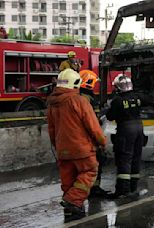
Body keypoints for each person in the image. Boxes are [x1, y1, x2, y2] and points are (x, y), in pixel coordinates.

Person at [47, 69, 107, 221]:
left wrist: (58, 146)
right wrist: (102, 141)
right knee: (90, 171)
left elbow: (52, 130)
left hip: (62, 150)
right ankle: (72, 201)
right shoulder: (79, 101)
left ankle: (71, 212)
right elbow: (93, 126)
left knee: (68, 181)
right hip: (82, 149)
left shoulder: (52, 104)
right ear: (75, 83)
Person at [106, 74, 144, 198]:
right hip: (139, 127)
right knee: (135, 158)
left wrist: (108, 108)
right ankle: (133, 188)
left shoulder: (117, 100)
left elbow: (110, 116)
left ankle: (124, 190)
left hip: (126, 129)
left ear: (118, 88)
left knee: (124, 158)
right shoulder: (137, 97)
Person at [79, 70, 110, 197]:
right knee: (96, 162)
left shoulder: (81, 97)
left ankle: (94, 188)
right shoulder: (86, 99)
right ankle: (92, 190)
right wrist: (100, 140)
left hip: (83, 138)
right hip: (89, 138)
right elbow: (92, 122)